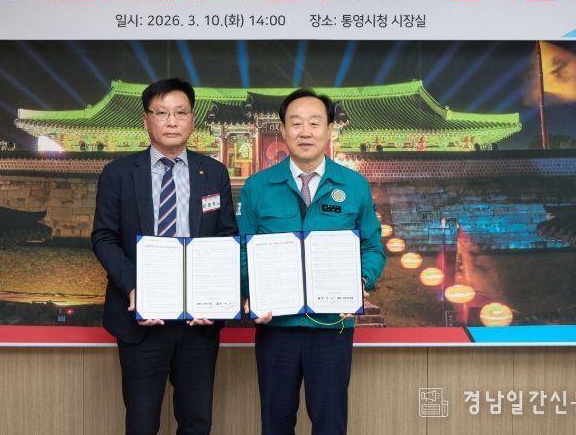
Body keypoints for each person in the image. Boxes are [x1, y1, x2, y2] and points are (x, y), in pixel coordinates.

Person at [91, 78, 237, 435]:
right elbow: (104, 238)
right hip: (140, 319)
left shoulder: (213, 173)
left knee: (196, 421)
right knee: (142, 422)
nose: (172, 122)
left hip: (198, 323)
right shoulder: (119, 173)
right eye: (162, 113)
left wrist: (213, 295)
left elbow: (226, 238)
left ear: (192, 119)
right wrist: (134, 287)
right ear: (146, 120)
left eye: (180, 113)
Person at [237, 89, 386, 435]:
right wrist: (252, 290)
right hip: (276, 329)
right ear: (283, 130)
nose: (305, 132)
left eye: (315, 123)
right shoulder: (258, 187)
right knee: (276, 423)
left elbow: (372, 246)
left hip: (332, 328)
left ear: (329, 129)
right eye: (296, 123)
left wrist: (361, 281)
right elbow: (243, 250)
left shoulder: (354, 185)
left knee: (330, 423)